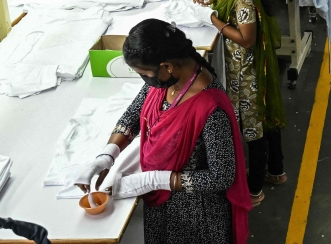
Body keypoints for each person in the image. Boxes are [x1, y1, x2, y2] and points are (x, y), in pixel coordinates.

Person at [74, 19, 251, 244]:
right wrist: (106, 156)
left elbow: (221, 177)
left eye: (144, 73)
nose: (144, 79)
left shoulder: (211, 109)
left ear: (166, 66)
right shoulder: (165, 81)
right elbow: (133, 114)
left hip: (196, 217)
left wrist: (156, 180)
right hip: (163, 205)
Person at [188, 0, 286, 206]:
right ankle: (276, 171)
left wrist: (212, 20)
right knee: (265, 119)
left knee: (253, 128)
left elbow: (246, 39)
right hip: (244, 67)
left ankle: (254, 189)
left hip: (249, 72)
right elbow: (229, 6)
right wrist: (212, 0)